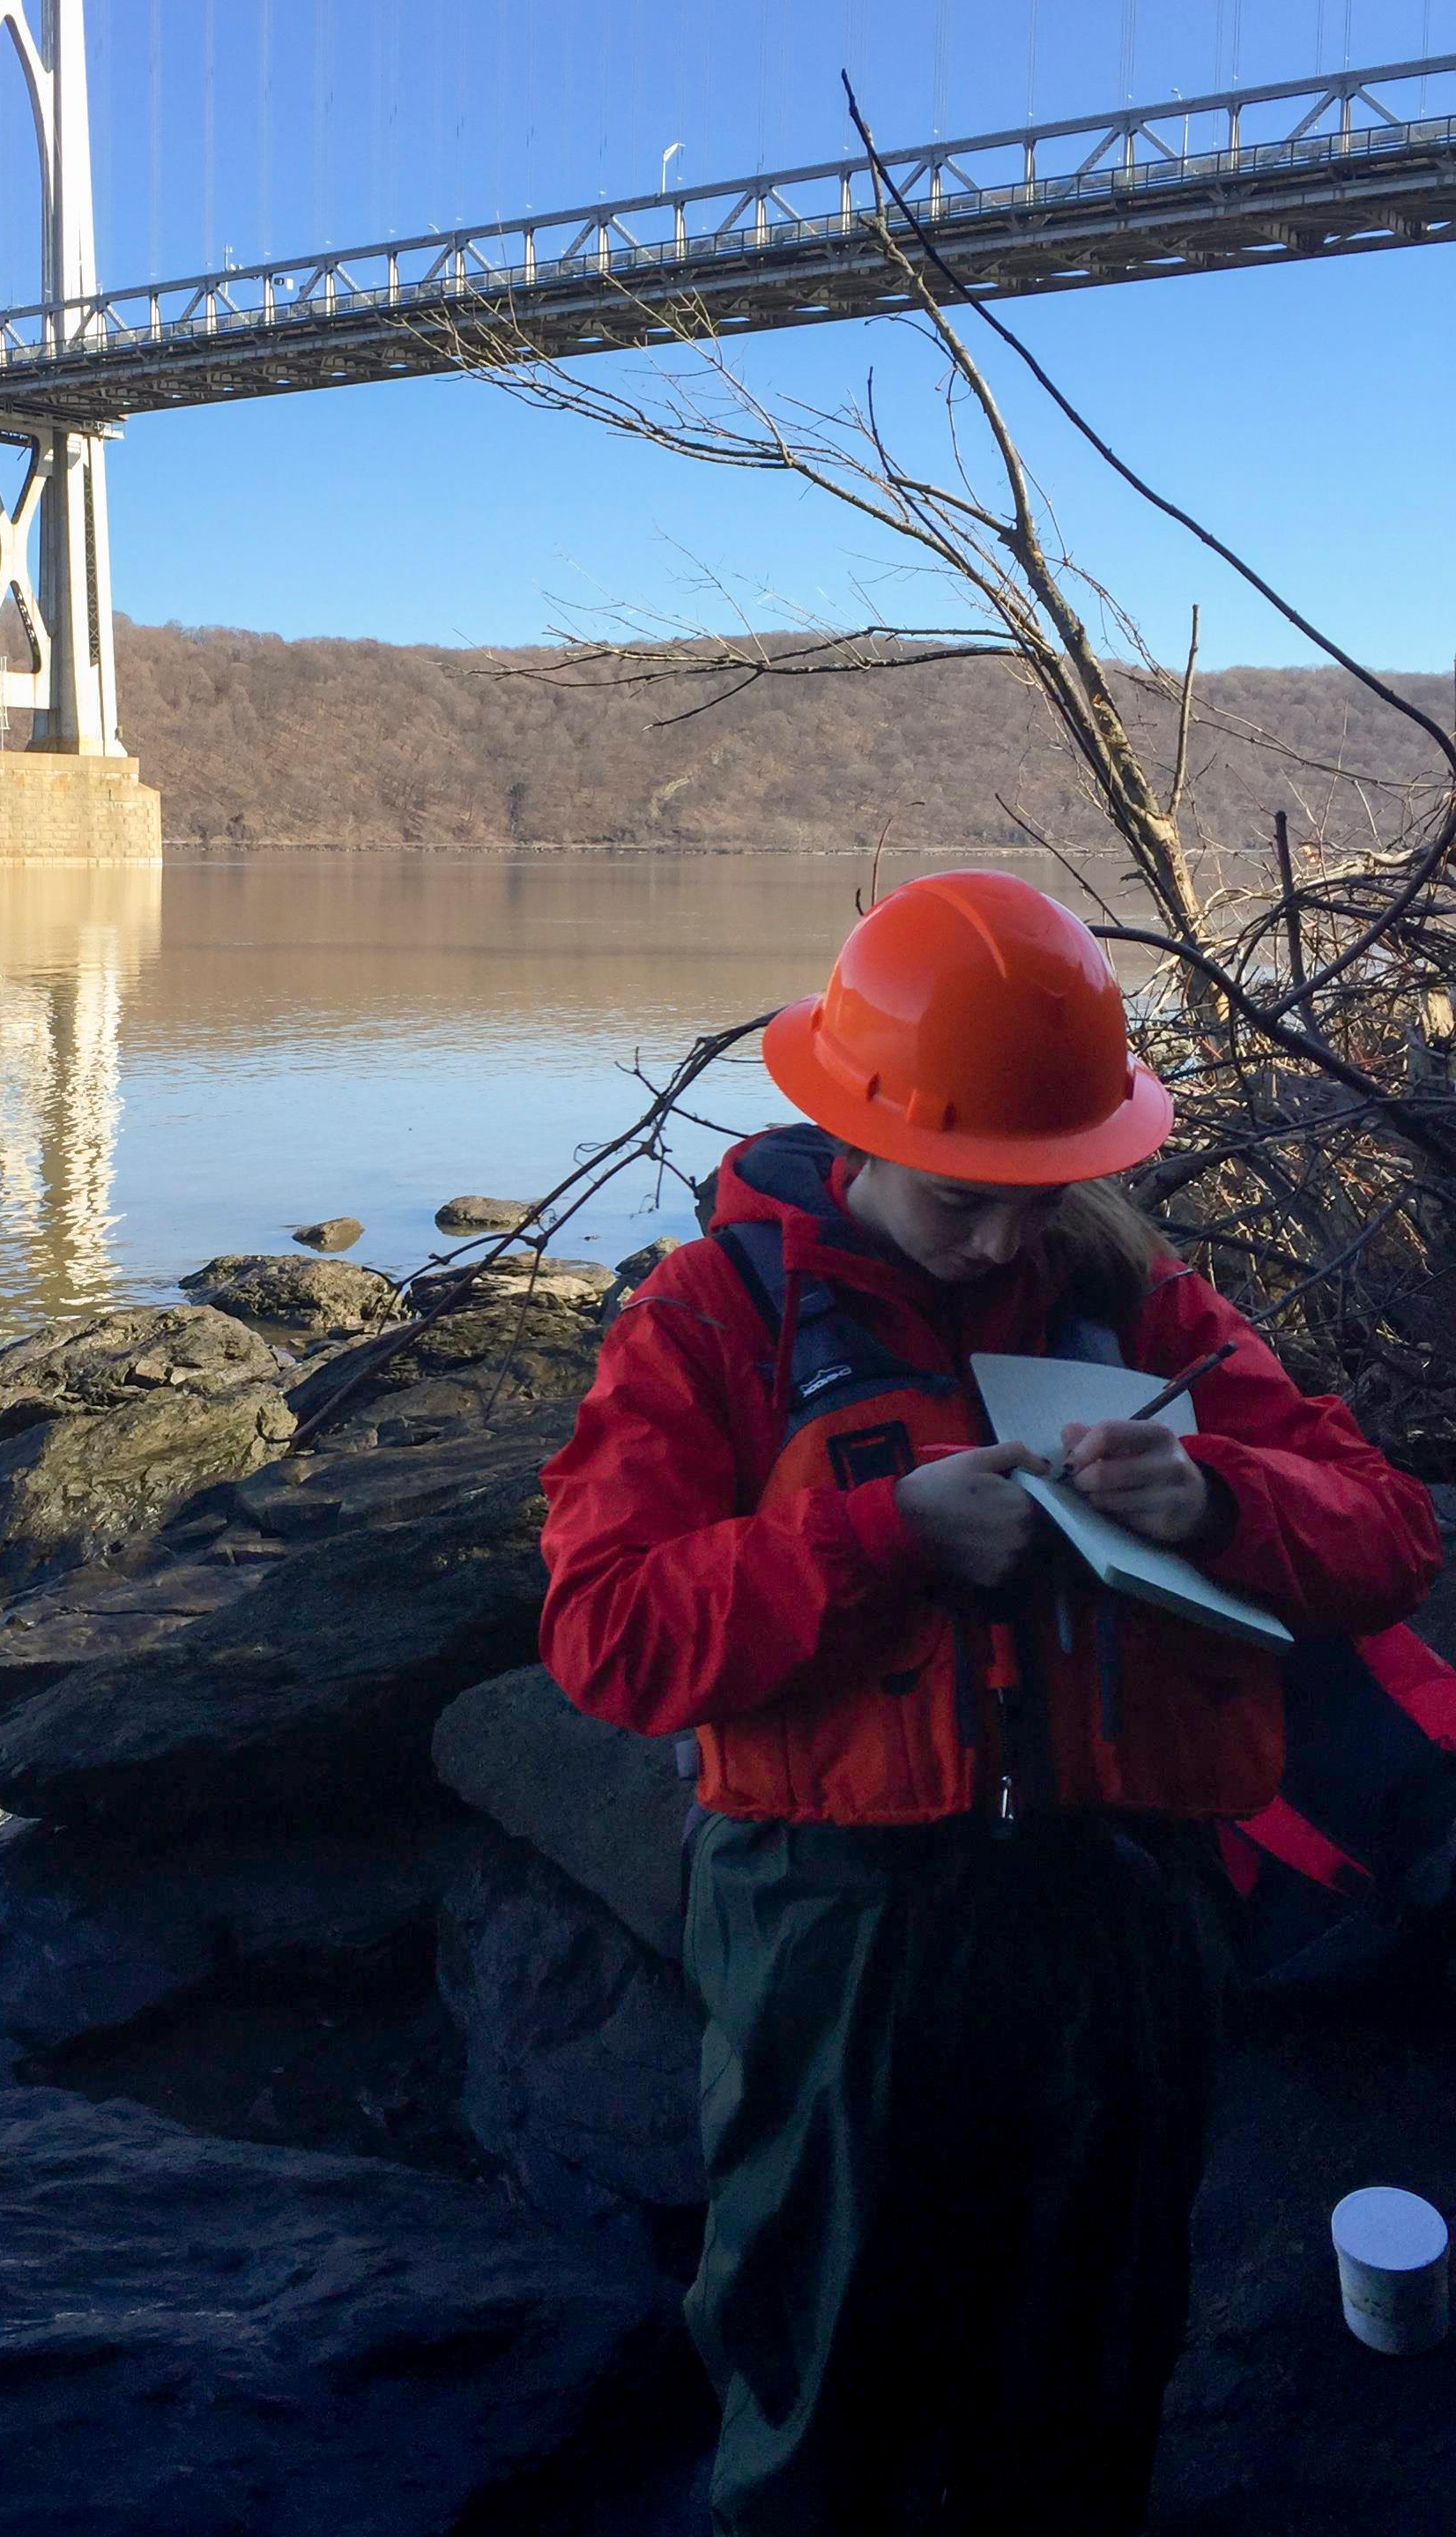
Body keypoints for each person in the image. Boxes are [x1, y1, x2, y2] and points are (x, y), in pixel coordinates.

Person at [539, 870, 1438, 2537]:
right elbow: (606, 1639)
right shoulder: (706, 1319)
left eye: (1053, 1188)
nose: (1012, 1237)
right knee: (826, 2360)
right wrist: (877, 1537)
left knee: (1093, 2354)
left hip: (1123, 1905)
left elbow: (1387, 1532)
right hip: (837, 1924)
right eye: (969, 1199)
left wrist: (1219, 1497)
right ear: (856, 1134)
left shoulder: (1145, 1300)